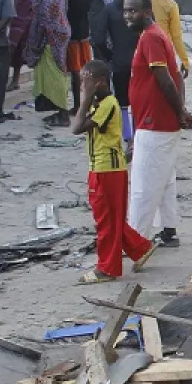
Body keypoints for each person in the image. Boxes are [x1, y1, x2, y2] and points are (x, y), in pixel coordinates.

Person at [71, 59, 155, 283]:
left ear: (98, 83)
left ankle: (107, 269)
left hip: (107, 170)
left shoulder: (108, 104)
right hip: (102, 167)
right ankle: (141, 248)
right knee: (112, 218)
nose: (82, 87)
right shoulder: (98, 103)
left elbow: (76, 128)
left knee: (106, 220)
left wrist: (84, 99)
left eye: (85, 82)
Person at [124, 0, 192, 247]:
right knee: (165, 179)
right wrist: (181, 111)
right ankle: (168, 230)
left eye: (133, 10)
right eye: (126, 10)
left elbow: (166, 79)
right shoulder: (153, 35)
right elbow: (176, 75)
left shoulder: (152, 38)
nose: (128, 16)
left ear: (146, 11)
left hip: (154, 123)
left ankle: (136, 241)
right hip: (156, 121)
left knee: (143, 187)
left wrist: (180, 111)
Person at [92, 0, 143, 140]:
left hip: (121, 62)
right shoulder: (143, 9)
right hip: (139, 62)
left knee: (123, 101)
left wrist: (109, 56)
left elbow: (98, 39)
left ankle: (128, 136)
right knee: (136, 101)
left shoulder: (111, 9)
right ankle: (134, 135)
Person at [22, 0, 72, 124]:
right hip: (61, 31)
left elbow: (45, 16)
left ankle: (64, 113)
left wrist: (38, 39)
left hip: (50, 36)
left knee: (56, 74)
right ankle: (57, 109)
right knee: (55, 71)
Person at [66, 0, 97, 110]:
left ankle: (78, 104)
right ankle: (88, 102)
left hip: (71, 33)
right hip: (85, 31)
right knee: (86, 70)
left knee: (75, 71)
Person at [144, 0, 190, 78]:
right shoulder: (170, 5)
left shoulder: (140, 2)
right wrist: (184, 61)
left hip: (144, 52)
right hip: (164, 53)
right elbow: (176, 36)